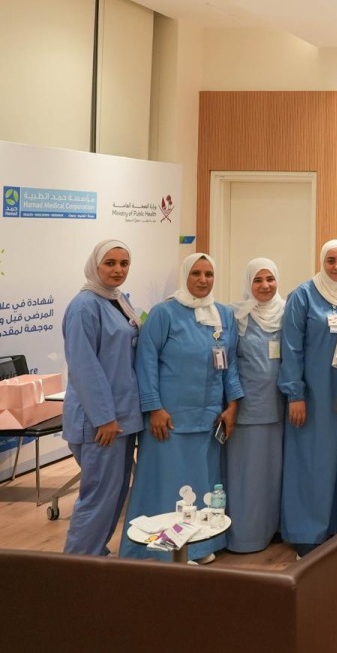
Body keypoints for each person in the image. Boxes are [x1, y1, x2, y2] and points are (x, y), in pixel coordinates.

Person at [121, 253, 242, 563]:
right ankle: (162, 551)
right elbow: (146, 361)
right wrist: (154, 408)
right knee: (167, 485)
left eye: (208, 274)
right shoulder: (164, 314)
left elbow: (229, 363)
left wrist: (232, 405)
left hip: (209, 418)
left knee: (200, 486)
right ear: (184, 276)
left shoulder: (223, 315)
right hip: (169, 419)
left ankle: (197, 547)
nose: (203, 279)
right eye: (196, 273)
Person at [279, 239, 337, 557]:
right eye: (331, 260)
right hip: (315, 393)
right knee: (313, 460)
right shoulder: (304, 295)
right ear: (321, 262)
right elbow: (291, 347)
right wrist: (295, 394)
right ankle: (307, 531)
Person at [62, 240, 143, 556]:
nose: (118, 270)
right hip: (100, 423)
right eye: (110, 263)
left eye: (124, 263)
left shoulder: (117, 300)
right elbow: (84, 368)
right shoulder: (84, 306)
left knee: (114, 494)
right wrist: (104, 418)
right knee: (98, 497)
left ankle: (94, 554)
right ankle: (76, 565)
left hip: (121, 417)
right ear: (95, 265)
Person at [226, 258, 286, 553]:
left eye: (270, 279)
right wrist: (233, 400)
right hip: (247, 410)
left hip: (281, 409)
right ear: (248, 283)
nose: (265, 285)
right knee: (246, 476)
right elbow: (227, 364)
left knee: (273, 476)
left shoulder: (287, 313)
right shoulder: (236, 317)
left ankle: (272, 529)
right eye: (258, 280)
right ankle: (244, 536)